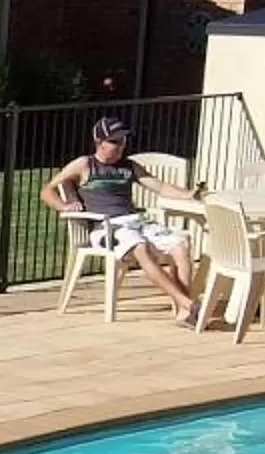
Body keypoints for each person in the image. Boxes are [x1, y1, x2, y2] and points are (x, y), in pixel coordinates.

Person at [41, 115, 197, 318]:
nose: (120, 146)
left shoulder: (129, 166)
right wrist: (64, 206)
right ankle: (188, 304)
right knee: (140, 247)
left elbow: (159, 186)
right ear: (99, 142)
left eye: (123, 140)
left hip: (136, 221)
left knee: (181, 244)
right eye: (114, 141)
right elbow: (47, 190)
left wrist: (189, 194)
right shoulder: (85, 164)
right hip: (106, 227)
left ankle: (184, 311)